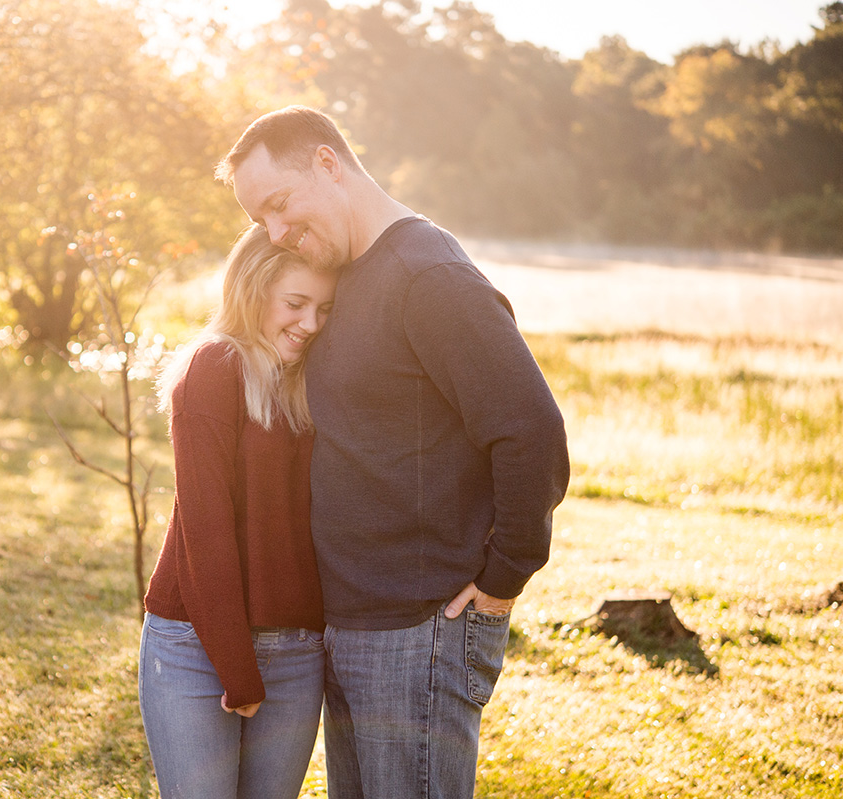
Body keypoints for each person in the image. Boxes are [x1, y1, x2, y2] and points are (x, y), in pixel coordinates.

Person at [215, 105, 571, 798]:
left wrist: (504, 578)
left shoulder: (426, 274)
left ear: (327, 162)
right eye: (262, 223)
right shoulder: (348, 273)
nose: (278, 233)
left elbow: (531, 431)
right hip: (352, 624)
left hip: (418, 628)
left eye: (280, 206)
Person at [138, 224, 337, 798]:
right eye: (295, 304)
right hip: (195, 645)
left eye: (324, 308)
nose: (310, 323)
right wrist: (236, 665)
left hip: (298, 653)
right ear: (252, 291)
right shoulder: (213, 367)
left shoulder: (312, 381)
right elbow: (206, 528)